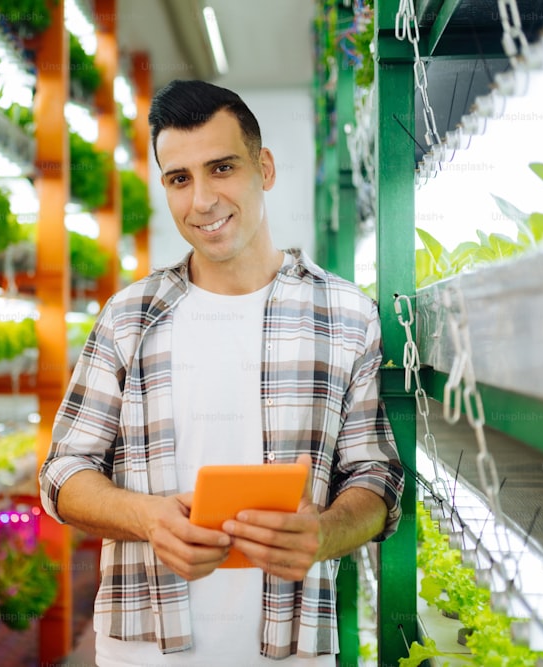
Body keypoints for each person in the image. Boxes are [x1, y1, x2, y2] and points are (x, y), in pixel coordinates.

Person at [39, 79, 403, 664]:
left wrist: (324, 535)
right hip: (142, 650)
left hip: (291, 650)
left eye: (222, 168)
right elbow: (62, 474)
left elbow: (376, 477)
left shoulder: (347, 317)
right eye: (179, 179)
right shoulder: (130, 317)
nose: (202, 200)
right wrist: (148, 519)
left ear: (265, 168)